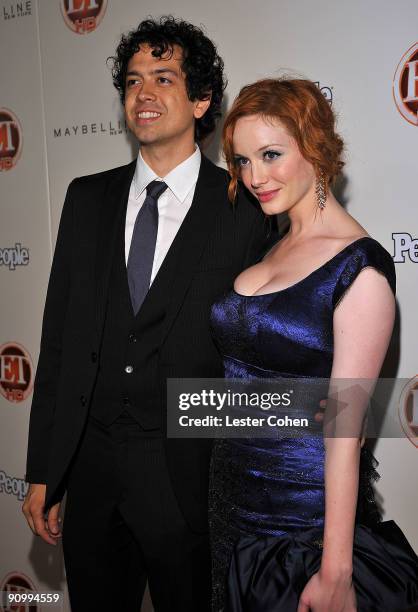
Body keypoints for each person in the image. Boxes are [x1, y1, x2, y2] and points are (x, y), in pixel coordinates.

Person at [22, 17, 273, 611]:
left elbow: (259, 362)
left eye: (164, 77)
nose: (144, 93)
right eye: (133, 81)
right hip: (92, 472)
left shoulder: (245, 208)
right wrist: (44, 470)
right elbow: (57, 342)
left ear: (202, 99)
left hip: (190, 479)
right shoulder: (86, 199)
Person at [209, 78, 418, 611]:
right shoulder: (273, 245)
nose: (255, 177)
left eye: (271, 154)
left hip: (300, 530)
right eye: (241, 161)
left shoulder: (359, 268)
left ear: (315, 147)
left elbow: (344, 432)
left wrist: (336, 571)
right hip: (231, 511)